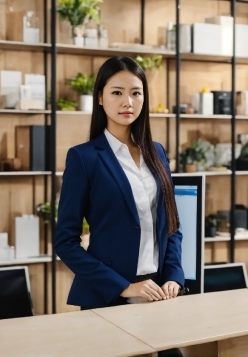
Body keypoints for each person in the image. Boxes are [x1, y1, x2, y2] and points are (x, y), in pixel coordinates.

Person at [55, 56, 184, 311]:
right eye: (117, 92)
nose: (128, 102)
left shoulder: (157, 153)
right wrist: (123, 286)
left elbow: (172, 225)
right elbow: (65, 242)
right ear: (101, 98)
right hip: (109, 297)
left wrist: (173, 275)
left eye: (136, 93)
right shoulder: (84, 158)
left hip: (159, 293)